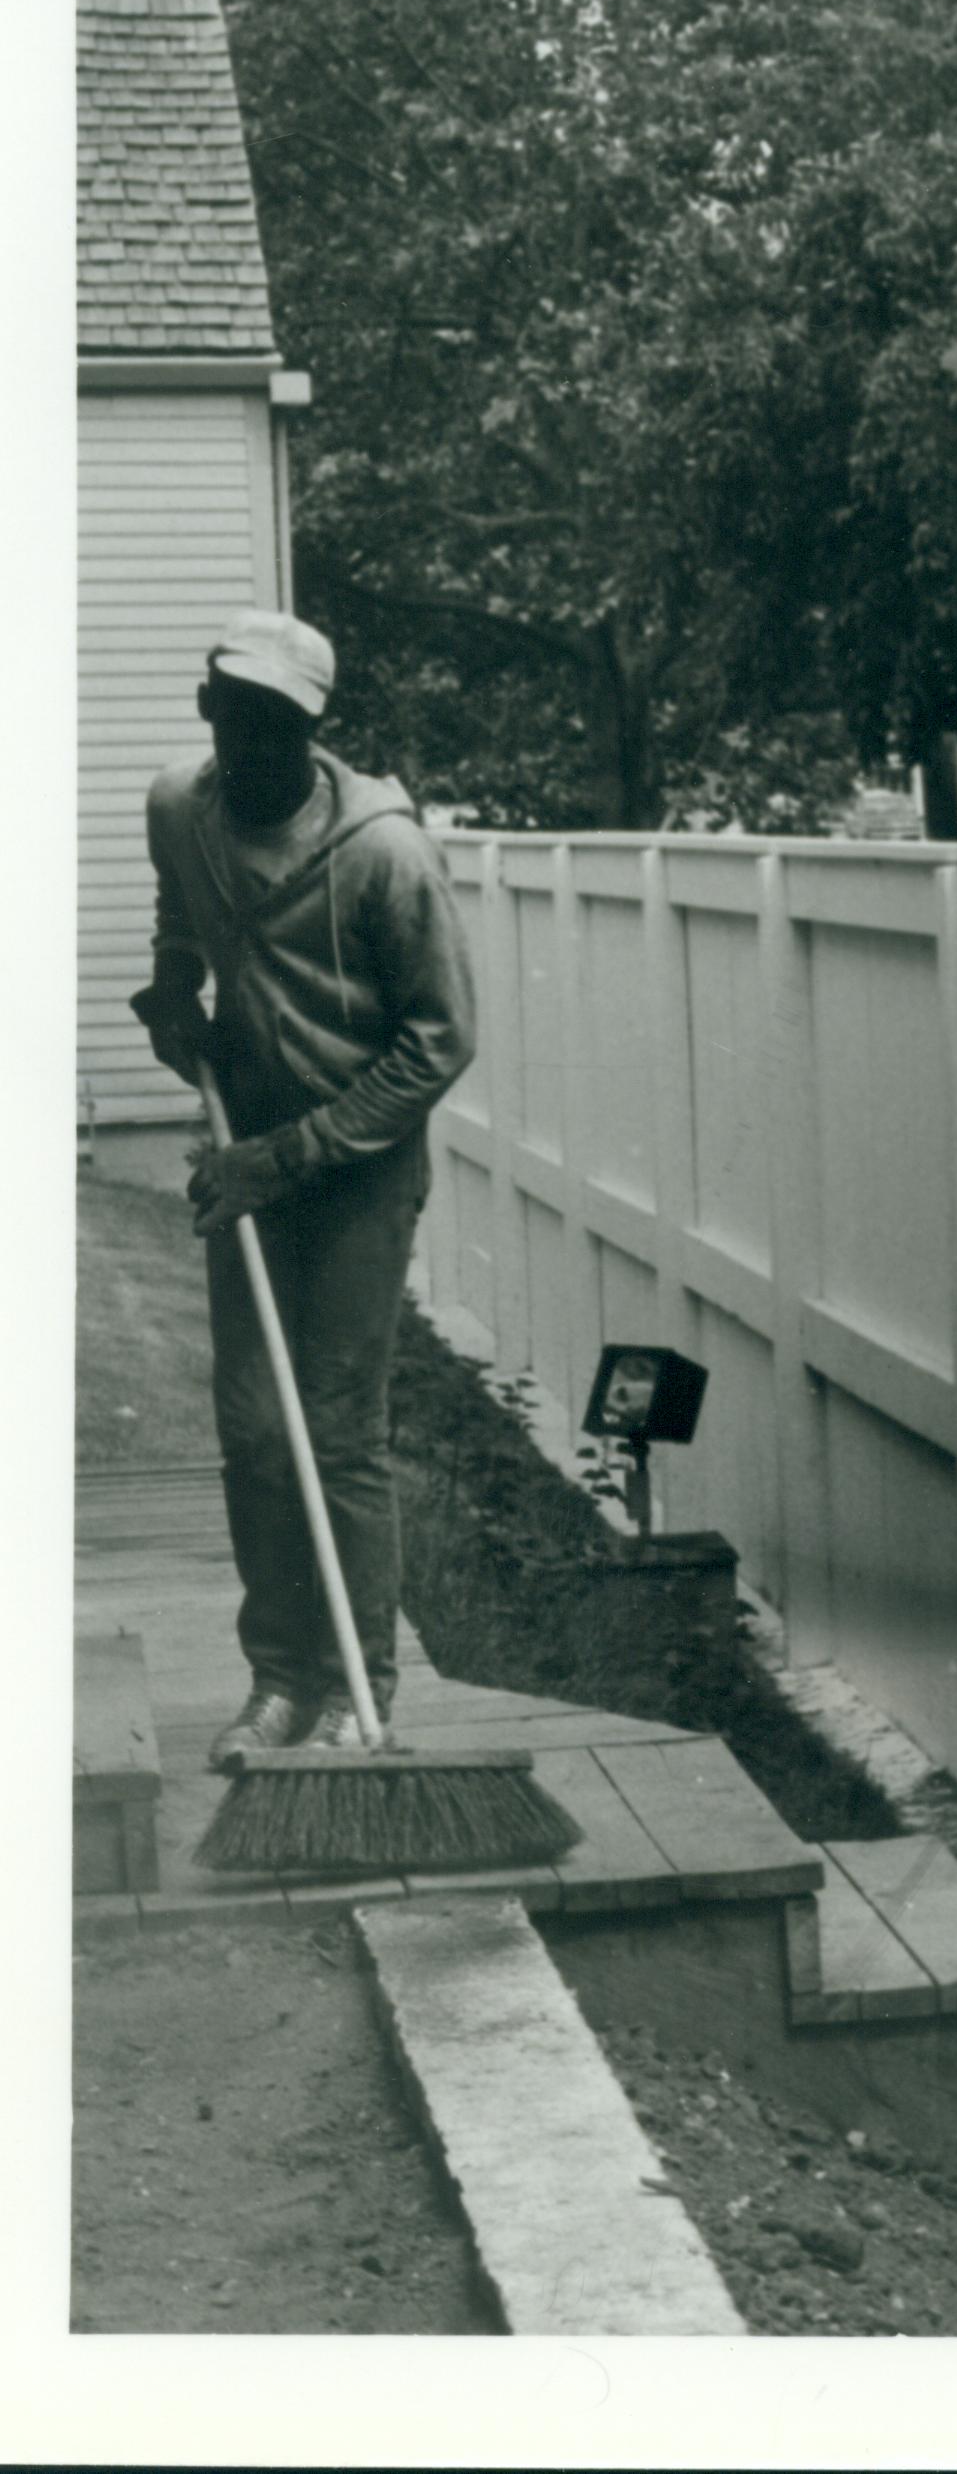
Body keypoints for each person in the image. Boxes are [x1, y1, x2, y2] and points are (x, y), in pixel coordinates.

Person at [133, 610, 478, 1769]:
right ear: (207, 710)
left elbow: (440, 1043)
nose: (250, 741)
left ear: (312, 727)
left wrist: (281, 1158)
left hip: (357, 1173)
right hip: (249, 1161)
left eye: (276, 720)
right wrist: (175, 994)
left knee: (335, 1434)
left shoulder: (386, 853)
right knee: (252, 1437)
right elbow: (182, 923)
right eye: (233, 712)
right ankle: (280, 1682)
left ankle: (356, 1691)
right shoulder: (177, 807)